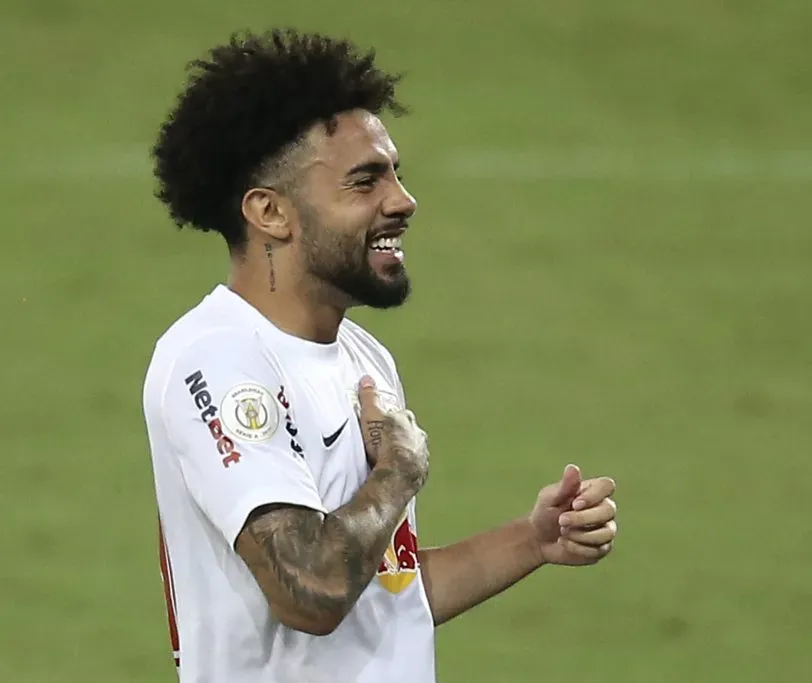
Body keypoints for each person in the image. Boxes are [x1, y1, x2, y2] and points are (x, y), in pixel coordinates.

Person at [142, 28, 618, 683]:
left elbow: (388, 598)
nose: (403, 200)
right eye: (365, 181)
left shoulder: (364, 359)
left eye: (396, 173)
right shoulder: (219, 362)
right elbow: (311, 591)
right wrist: (397, 471)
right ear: (271, 212)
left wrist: (533, 540)